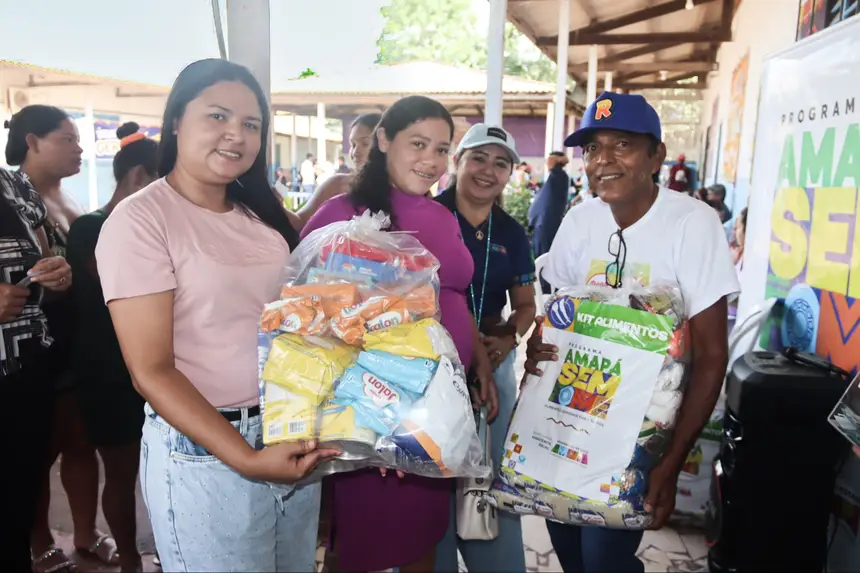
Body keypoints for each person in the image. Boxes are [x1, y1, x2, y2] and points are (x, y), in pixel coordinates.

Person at [94, 58, 338, 573]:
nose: (236, 135)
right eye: (218, 117)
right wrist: (246, 458)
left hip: (285, 433)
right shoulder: (140, 220)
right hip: (206, 454)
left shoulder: (260, 216)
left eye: (251, 124)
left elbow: (288, 321)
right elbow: (150, 370)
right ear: (177, 120)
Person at [524, 91, 739, 572]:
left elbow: (711, 355)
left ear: (656, 155)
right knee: (570, 550)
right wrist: (541, 344)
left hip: (641, 433)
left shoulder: (692, 223)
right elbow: (557, 320)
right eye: (593, 148)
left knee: (604, 560)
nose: (604, 160)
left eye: (622, 145)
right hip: (573, 415)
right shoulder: (580, 221)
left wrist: (668, 463)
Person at [301, 95, 499, 573]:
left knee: (422, 538)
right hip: (377, 413)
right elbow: (308, 319)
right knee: (363, 546)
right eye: (417, 144)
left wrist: (480, 362)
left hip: (438, 410)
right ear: (384, 140)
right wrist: (380, 420)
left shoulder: (439, 213)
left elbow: (452, 295)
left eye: (440, 149)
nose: (430, 160)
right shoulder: (344, 214)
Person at [6, 104, 118, 572]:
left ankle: (87, 532)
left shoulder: (69, 199)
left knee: (80, 440)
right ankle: (38, 541)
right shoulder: (12, 196)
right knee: (33, 450)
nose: (79, 149)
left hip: (77, 340)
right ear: (31, 141)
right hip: (31, 347)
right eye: (67, 139)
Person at [433, 124, 535, 573]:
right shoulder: (426, 216)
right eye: (479, 158)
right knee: (432, 472)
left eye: (501, 163)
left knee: (490, 474)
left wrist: (510, 336)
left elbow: (527, 304)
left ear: (510, 174)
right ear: (458, 162)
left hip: (495, 362)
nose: (487, 171)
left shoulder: (512, 232)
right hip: (432, 365)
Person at [65, 123, 159, 572]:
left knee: (159, 470)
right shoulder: (91, 227)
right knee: (121, 474)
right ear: (140, 176)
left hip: (157, 371)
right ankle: (129, 561)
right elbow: (122, 283)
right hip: (107, 375)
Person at [0, 167, 73, 572]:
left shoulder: (13, 185)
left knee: (18, 502)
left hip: (25, 372)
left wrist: (58, 274)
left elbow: (45, 260)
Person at [288, 113, 381, 231]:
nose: (355, 152)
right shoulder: (336, 184)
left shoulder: (400, 191)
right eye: (353, 145)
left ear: (384, 145)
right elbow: (300, 221)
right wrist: (271, 203)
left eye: (365, 144)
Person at [529, 151, 571, 281]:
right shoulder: (554, 177)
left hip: (546, 224)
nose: (547, 162)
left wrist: (558, 162)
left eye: (549, 159)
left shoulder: (559, 176)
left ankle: (545, 287)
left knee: (544, 260)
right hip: (541, 224)